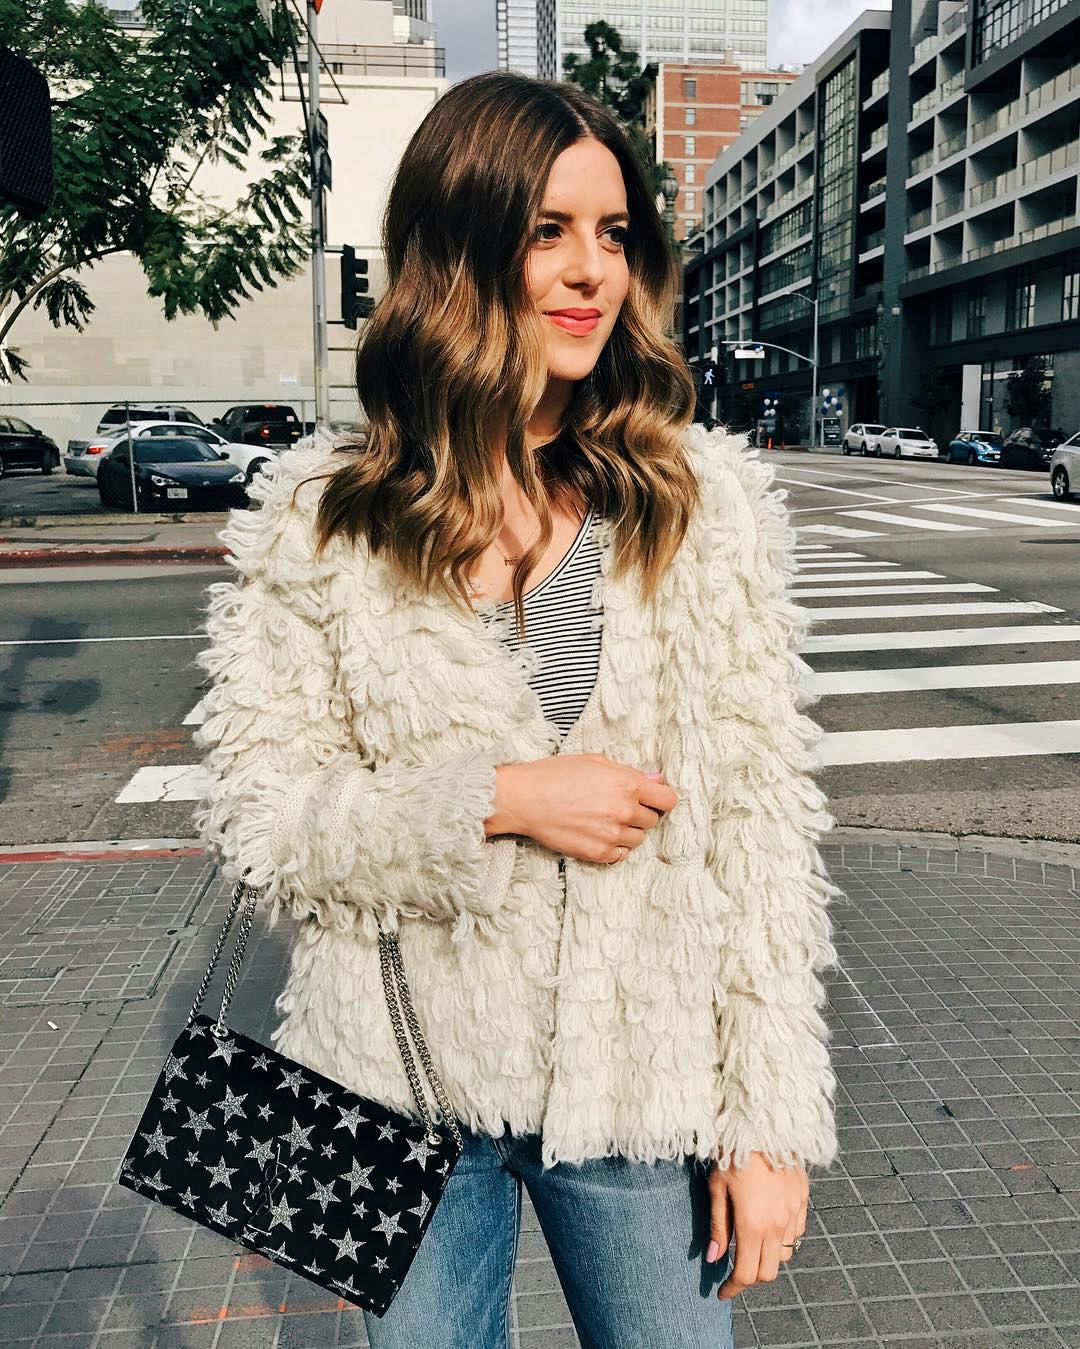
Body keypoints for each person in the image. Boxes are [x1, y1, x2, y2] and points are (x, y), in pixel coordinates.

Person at [193, 71, 838, 1349]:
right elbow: (263, 824)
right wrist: (496, 799)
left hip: (637, 1079)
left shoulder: (697, 507)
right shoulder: (324, 516)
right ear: (461, 246)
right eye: (548, 231)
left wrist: (767, 1120)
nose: (591, 270)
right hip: (391, 1080)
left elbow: (764, 836)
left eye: (614, 234)